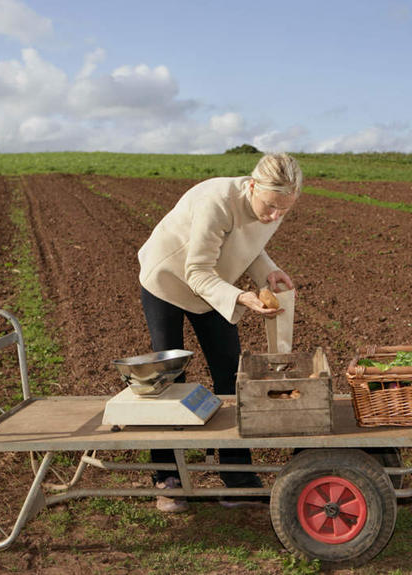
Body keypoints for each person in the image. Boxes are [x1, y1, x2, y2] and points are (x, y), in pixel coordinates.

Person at [137, 152, 302, 512]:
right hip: (168, 280)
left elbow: (248, 243)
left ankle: (235, 473)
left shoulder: (272, 204)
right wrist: (241, 295)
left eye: (284, 209)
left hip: (214, 285)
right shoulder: (217, 201)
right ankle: (167, 475)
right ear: (253, 185)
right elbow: (196, 271)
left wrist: (267, 272)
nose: (275, 215)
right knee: (169, 374)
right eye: (271, 206)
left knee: (230, 373)